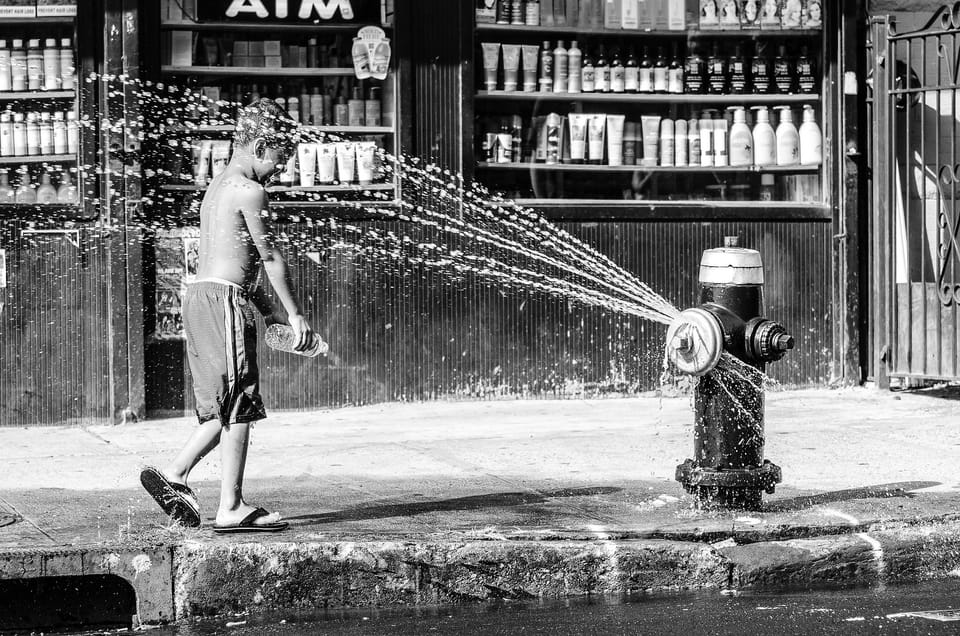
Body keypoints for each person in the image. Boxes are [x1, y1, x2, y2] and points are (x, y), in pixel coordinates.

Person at [141, 98, 315, 533]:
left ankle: (201, 489)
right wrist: (295, 315)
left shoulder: (219, 184)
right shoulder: (250, 190)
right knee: (239, 403)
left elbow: (234, 260)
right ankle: (202, 488)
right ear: (260, 145)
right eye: (280, 157)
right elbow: (270, 257)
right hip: (224, 302)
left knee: (224, 403)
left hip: (200, 297)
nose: (281, 169)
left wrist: (266, 311)